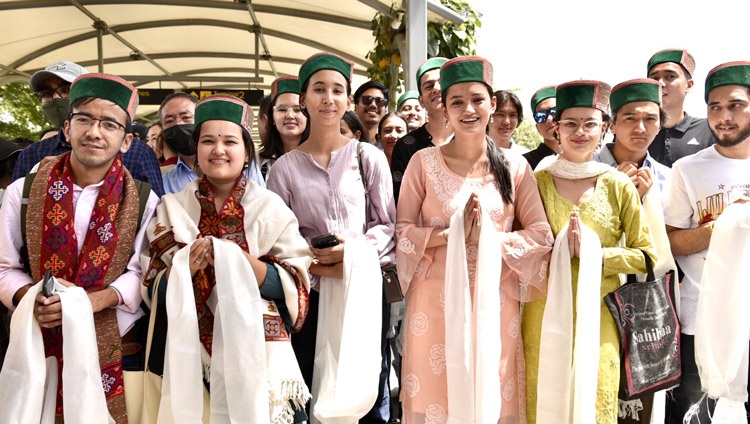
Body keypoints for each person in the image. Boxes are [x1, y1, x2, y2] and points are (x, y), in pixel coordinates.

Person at [396, 56, 553, 423]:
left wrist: (490, 241)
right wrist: (448, 235)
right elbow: (401, 232)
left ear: (493, 105)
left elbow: (541, 235)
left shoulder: (515, 168)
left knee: (492, 393)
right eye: (457, 102)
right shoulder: (422, 162)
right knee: (437, 395)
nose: (468, 109)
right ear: (444, 108)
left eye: (477, 99)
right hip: (434, 303)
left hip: (495, 304)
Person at [141, 94, 312, 422]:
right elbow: (151, 288)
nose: (218, 150)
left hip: (261, 358)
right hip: (189, 357)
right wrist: (183, 268)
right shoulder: (172, 207)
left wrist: (247, 265)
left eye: (229, 141)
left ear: (246, 150)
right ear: (197, 149)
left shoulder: (269, 207)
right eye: (207, 141)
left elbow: (296, 283)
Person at [0, 73, 159, 422]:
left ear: (127, 141)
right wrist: (33, 298)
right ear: (67, 129)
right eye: (84, 119)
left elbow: (143, 271)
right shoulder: (23, 193)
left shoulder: (144, 199)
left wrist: (94, 301)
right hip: (37, 344)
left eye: (109, 124)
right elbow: (4, 267)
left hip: (118, 347)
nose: (94, 132)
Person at [267, 52, 396, 423]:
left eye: (337, 90)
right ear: (304, 99)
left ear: (347, 100)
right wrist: (320, 263)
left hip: (364, 293)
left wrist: (352, 255)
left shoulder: (366, 157)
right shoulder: (284, 169)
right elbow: (280, 239)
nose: (328, 99)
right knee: (313, 387)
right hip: (311, 297)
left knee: (368, 390)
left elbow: (387, 226)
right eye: (319, 89)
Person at [522, 80, 656, 424]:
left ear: (605, 129)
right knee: (543, 403)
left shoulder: (618, 185)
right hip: (542, 315)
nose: (580, 132)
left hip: (601, 316)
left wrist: (595, 253)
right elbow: (519, 247)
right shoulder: (535, 181)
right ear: (556, 128)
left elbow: (646, 256)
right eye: (570, 123)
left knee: (596, 402)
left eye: (590, 123)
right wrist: (553, 250)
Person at [662, 61, 750, 424]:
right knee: (699, 416)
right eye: (714, 107)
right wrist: (726, 226)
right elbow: (670, 241)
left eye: (735, 105)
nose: (723, 116)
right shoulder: (689, 169)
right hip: (704, 324)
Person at [595, 78, 678, 423]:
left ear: (661, 124)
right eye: (629, 118)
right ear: (612, 124)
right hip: (596, 300)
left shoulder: (667, 179)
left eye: (650, 118)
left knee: (641, 404)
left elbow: (666, 249)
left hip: (644, 309)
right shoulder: (585, 170)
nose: (640, 128)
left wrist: (643, 201)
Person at [13, 60, 165, 197]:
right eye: (46, 93)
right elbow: (18, 209)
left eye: (66, 90)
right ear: (67, 129)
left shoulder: (138, 153)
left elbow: (154, 216)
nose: (56, 98)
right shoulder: (31, 155)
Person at [160, 92, 266, 193]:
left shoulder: (250, 172)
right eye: (169, 121)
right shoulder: (167, 184)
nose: (178, 124)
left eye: (186, 117)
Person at [391, 57, 453, 204]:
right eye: (429, 86)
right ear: (421, 101)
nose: (436, 89)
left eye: (442, 83)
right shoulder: (405, 146)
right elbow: (401, 200)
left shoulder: (469, 139)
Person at [646, 49, 715, 167]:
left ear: (689, 85)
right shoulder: (637, 132)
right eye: (654, 78)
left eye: (670, 76)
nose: (661, 83)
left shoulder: (710, 130)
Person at [258, 76, 308, 181]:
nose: (290, 115)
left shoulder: (321, 160)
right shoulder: (258, 166)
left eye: (297, 110)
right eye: (282, 109)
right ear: (272, 118)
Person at [523, 85, 560, 169]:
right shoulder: (525, 163)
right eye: (541, 116)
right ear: (537, 128)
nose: (549, 119)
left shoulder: (582, 158)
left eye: (554, 111)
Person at [355, 80, 390, 145]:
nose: (373, 105)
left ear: (385, 111)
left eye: (379, 101)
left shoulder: (387, 147)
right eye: (367, 99)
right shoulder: (345, 143)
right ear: (356, 108)